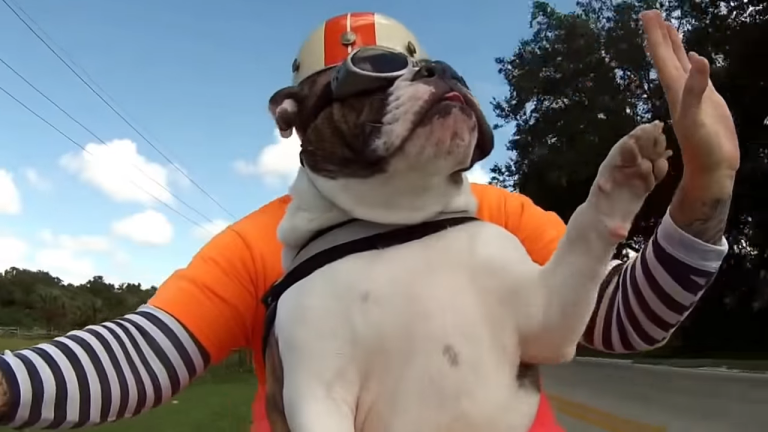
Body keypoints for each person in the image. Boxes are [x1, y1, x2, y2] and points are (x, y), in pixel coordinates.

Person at [0, 9, 738, 432]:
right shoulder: (269, 240)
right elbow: (142, 355)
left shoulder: (497, 217)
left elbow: (619, 321)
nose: (422, 86)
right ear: (295, 120)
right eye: (368, 80)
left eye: (426, 72)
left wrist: (708, 181)